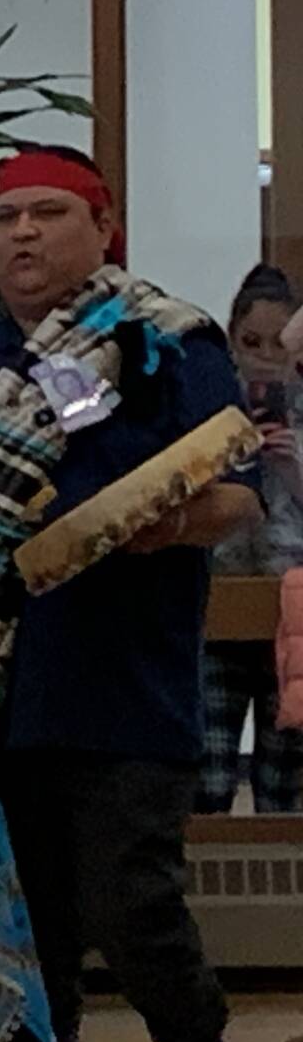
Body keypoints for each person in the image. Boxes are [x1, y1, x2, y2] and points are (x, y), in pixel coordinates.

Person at [0, 145, 260, 1042]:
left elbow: (238, 497)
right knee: (23, 934)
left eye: (43, 213)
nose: (17, 234)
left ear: (99, 225)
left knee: (133, 911)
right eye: (1, 217)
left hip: (121, 679)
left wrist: (137, 525)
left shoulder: (163, 341)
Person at [199, 265, 303, 815]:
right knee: (210, 778)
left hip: (292, 609)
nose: (265, 356)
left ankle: (279, 901)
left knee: (282, 786)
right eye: (250, 342)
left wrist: (291, 469)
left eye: (279, 343)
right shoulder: (210, 410)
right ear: (231, 340)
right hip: (221, 597)